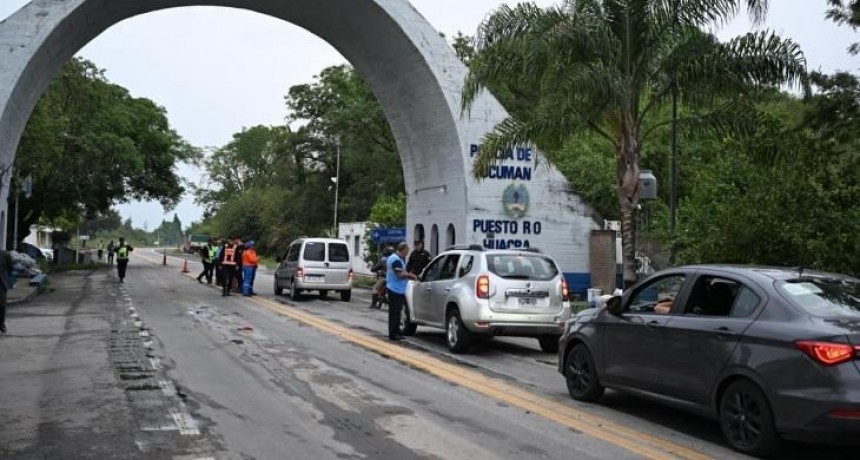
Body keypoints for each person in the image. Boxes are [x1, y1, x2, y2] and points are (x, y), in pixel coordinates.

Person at [386, 242, 417, 341]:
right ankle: (393, 333)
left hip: (397, 289)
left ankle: (397, 331)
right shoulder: (396, 260)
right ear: (402, 249)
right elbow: (399, 274)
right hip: (395, 289)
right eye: (407, 251)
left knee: (397, 313)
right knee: (395, 313)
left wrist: (406, 274)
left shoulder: (395, 258)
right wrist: (410, 275)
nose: (407, 253)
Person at [0, 248, 14, 333]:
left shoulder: (5, 254)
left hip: (0, 284)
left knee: (1, 305)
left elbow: (10, 268)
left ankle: (1, 324)